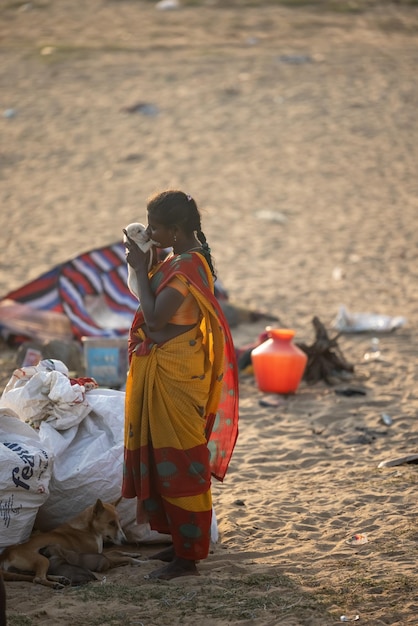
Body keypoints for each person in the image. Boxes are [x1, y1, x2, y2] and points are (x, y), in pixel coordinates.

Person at [122, 189, 239, 580]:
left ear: (175, 229)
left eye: (156, 227)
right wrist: (150, 263)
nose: (151, 233)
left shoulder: (190, 267)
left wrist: (141, 268)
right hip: (165, 368)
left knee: (183, 461)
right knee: (162, 457)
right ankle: (178, 540)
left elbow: (155, 321)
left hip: (178, 375)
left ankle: (187, 558)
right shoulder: (177, 258)